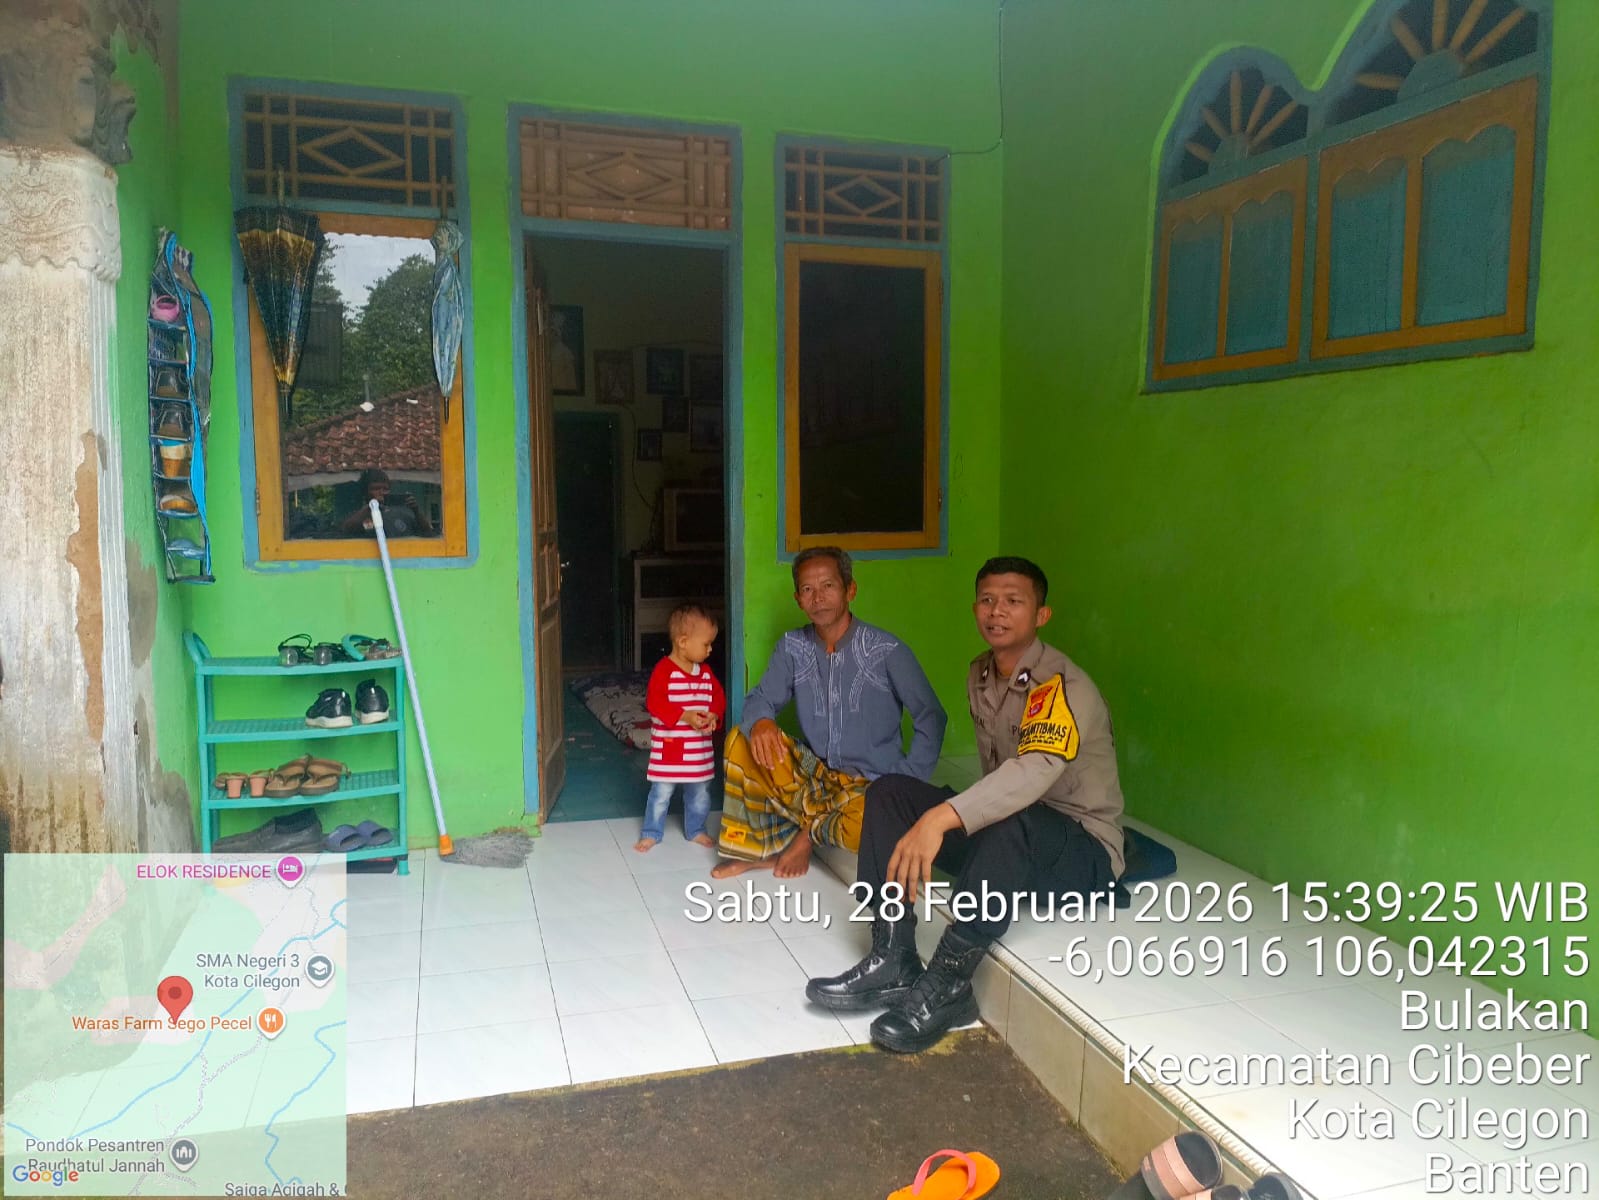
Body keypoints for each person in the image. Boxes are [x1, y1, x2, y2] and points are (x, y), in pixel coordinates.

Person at [805, 556, 1126, 1055]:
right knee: (890, 791)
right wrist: (935, 816)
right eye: (987, 600)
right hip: (1008, 832)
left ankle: (950, 986)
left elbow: (1030, 774)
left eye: (1013, 601)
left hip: (1078, 849)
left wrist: (940, 818)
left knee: (1013, 818)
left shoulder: (1060, 687)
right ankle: (893, 956)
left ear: (1041, 615)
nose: (997, 611)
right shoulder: (981, 672)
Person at [713, 547, 947, 880]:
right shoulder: (793, 647)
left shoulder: (886, 650)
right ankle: (759, 851)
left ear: (850, 590)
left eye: (828, 586)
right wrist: (762, 721)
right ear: (798, 599)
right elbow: (761, 698)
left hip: (873, 783)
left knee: (877, 823)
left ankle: (805, 837)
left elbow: (931, 717)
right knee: (742, 738)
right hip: (816, 776)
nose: (818, 597)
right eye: (807, 589)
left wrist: (905, 781)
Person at [637, 603, 726, 852]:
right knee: (661, 793)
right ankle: (652, 832)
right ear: (683, 642)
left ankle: (695, 829)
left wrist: (713, 715)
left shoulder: (706, 673)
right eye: (706, 644)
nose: (710, 649)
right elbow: (655, 702)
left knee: (699, 793)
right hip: (671, 750)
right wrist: (685, 716)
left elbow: (718, 698)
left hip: (698, 753)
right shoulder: (664, 671)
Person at [339, 468, 434, 537]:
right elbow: (346, 530)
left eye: (385, 489)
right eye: (376, 489)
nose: (382, 492)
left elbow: (428, 532)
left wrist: (416, 512)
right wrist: (371, 507)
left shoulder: (402, 514)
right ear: (365, 492)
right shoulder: (358, 515)